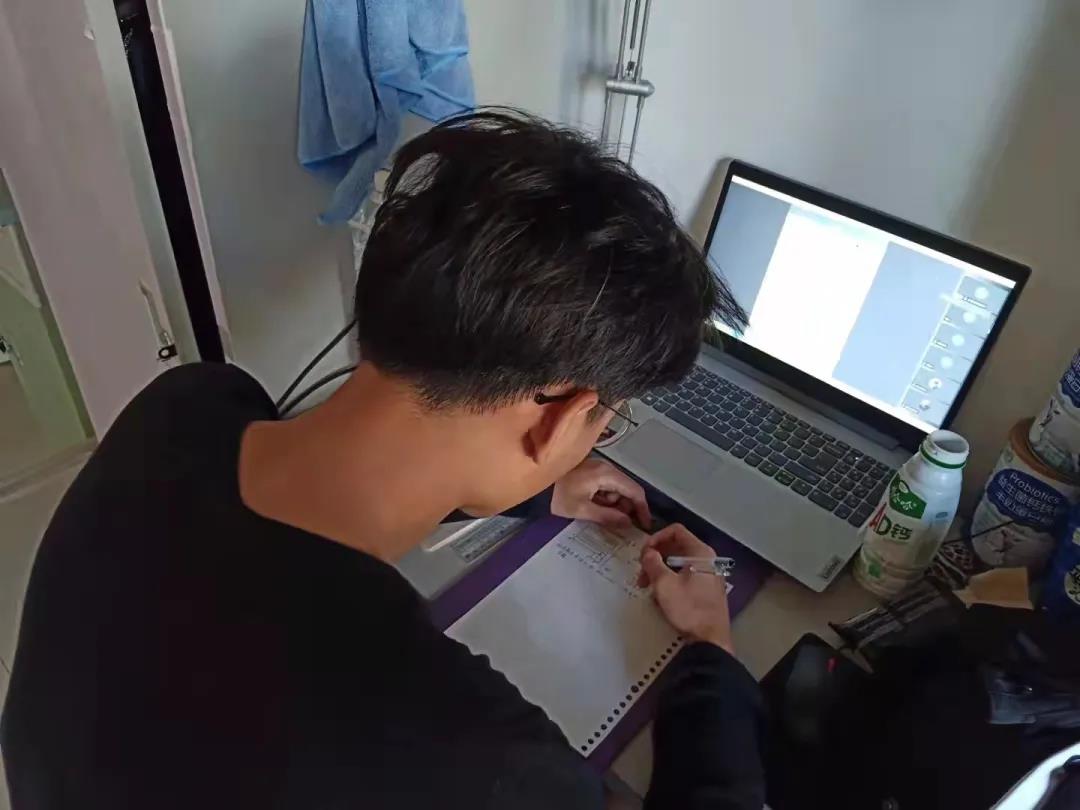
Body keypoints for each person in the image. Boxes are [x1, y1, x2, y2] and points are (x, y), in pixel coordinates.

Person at [1, 111, 764, 809]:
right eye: (607, 419)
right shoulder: (486, 765)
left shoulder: (186, 405)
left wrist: (539, 492)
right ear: (560, 416)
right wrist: (710, 651)